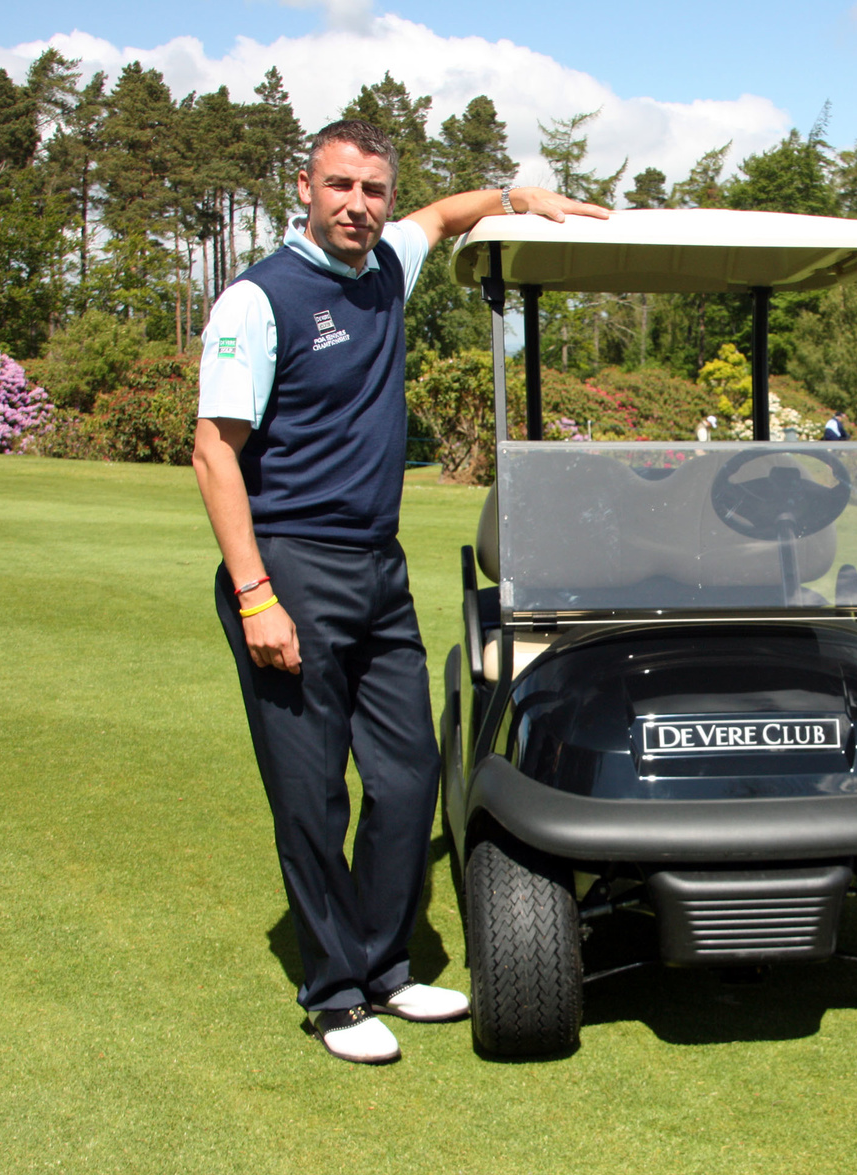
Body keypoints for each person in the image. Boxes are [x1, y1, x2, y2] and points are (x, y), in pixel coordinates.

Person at [191, 119, 608, 1064]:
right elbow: (215, 453)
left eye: (372, 190)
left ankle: (385, 966)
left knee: (411, 772)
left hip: (377, 569)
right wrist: (256, 594)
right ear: (304, 187)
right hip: (289, 563)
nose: (359, 206)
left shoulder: (385, 268)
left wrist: (519, 201)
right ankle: (334, 991)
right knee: (311, 795)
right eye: (340, 186)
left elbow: (442, 214)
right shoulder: (259, 300)